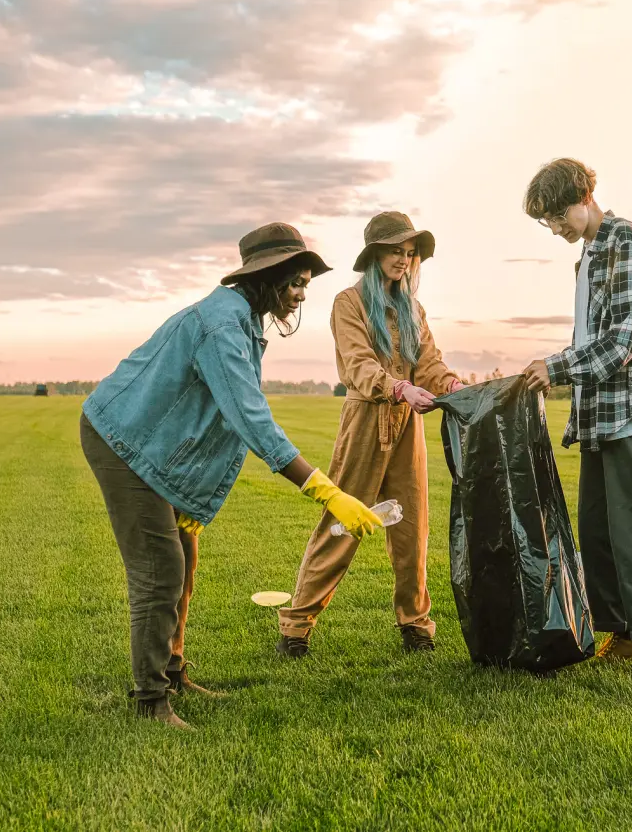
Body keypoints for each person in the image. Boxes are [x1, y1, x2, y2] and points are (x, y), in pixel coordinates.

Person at [81, 222, 383, 730]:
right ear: (265, 277)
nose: (300, 295)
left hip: (154, 446)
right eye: (294, 283)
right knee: (160, 571)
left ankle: (172, 671)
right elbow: (249, 418)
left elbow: (211, 422)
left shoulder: (243, 321)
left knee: (185, 557)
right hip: (123, 441)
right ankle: (150, 702)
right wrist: (328, 492)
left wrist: (191, 499)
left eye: (305, 284)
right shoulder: (223, 326)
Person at [520, 158, 632, 679]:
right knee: (599, 532)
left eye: (556, 217)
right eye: (546, 223)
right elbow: (590, 340)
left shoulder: (624, 239)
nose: (554, 229)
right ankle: (625, 636)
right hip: (599, 417)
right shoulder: (587, 258)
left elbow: (628, 336)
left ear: (583, 197)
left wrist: (556, 369)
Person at [277, 212, 462, 657]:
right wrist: (398, 387)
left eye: (410, 252)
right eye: (396, 250)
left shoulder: (413, 309)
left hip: (407, 426)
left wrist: (452, 385)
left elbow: (429, 363)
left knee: (412, 529)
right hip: (365, 420)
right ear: (375, 254)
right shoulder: (348, 303)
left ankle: (416, 623)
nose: (404, 259)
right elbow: (358, 364)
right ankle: (296, 625)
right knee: (342, 523)